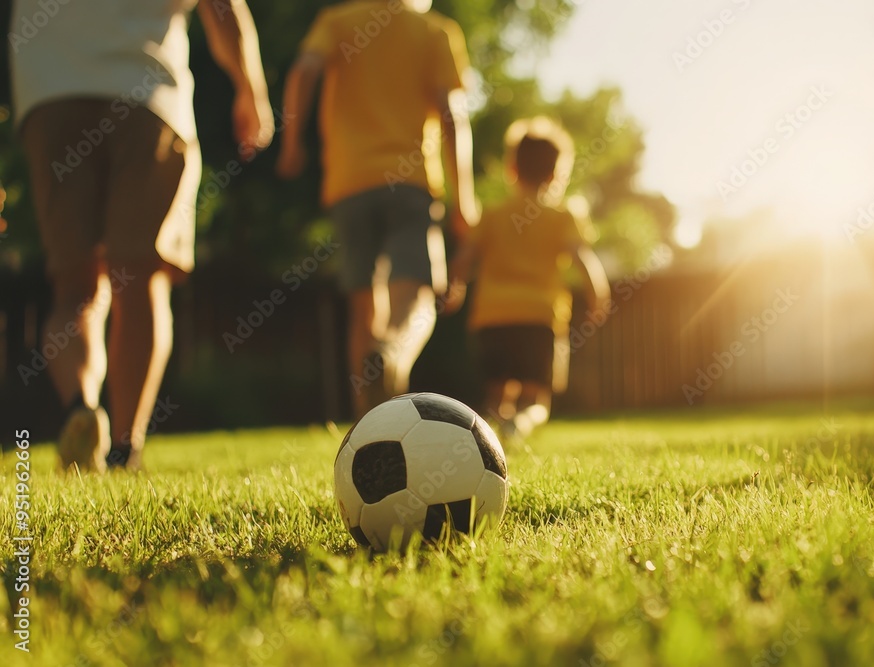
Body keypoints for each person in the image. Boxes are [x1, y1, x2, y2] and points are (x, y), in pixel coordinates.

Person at [9, 0, 274, 471]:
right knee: (140, 281)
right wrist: (250, 89)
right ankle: (123, 448)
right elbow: (223, 8)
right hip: (147, 93)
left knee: (74, 289)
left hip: (50, 93)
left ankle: (80, 407)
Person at [276, 0, 478, 419]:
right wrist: (464, 199)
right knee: (416, 294)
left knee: (363, 307)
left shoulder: (337, 21)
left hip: (350, 181)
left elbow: (303, 71)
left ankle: (368, 423)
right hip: (410, 182)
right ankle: (390, 351)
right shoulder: (435, 32)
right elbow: (452, 117)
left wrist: (292, 142)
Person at [448, 117, 611, 440]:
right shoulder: (563, 216)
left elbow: (463, 258)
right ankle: (519, 425)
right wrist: (598, 297)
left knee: (496, 398)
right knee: (536, 401)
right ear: (556, 174)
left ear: (511, 168)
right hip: (539, 317)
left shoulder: (492, 215)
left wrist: (454, 287)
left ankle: (485, 441)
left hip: (492, 317)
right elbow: (583, 258)